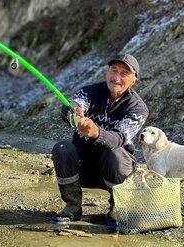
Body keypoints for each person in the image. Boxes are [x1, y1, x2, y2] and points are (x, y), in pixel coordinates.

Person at [51, 53, 149, 226]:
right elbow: (74, 104)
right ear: (107, 72)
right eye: (114, 70)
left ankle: (116, 208)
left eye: (124, 73)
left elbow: (118, 138)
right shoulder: (90, 91)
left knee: (116, 154)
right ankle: (72, 206)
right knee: (62, 148)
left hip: (115, 171)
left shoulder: (138, 108)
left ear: (134, 80)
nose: (116, 78)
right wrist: (72, 111)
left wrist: (96, 132)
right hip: (83, 168)